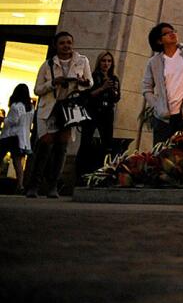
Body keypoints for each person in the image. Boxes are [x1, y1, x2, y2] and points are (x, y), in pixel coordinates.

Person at [28, 31, 92, 198]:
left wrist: (83, 83)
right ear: (56, 45)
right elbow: (37, 89)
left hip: (69, 109)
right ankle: (34, 184)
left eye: (69, 42)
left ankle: (53, 185)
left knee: (61, 148)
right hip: (49, 108)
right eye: (62, 43)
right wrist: (53, 83)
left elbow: (89, 82)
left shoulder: (82, 61)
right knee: (45, 146)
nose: (66, 46)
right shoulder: (47, 64)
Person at [141, 22, 183, 143]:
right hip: (163, 117)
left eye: (173, 31)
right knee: (162, 153)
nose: (172, 34)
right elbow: (146, 87)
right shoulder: (154, 62)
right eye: (167, 33)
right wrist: (156, 105)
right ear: (159, 41)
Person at [78, 51, 120, 175]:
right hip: (92, 112)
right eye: (103, 61)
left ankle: (103, 171)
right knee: (86, 142)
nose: (106, 64)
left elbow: (116, 98)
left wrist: (112, 89)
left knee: (107, 142)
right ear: (99, 62)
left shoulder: (114, 78)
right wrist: (102, 88)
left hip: (107, 113)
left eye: (109, 61)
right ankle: (81, 172)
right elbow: (87, 95)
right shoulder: (92, 77)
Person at [1, 84, 33, 188]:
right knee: (17, 162)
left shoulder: (16, 106)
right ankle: (20, 185)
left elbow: (13, 120)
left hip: (10, 136)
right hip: (21, 138)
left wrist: (3, 120)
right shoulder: (30, 108)